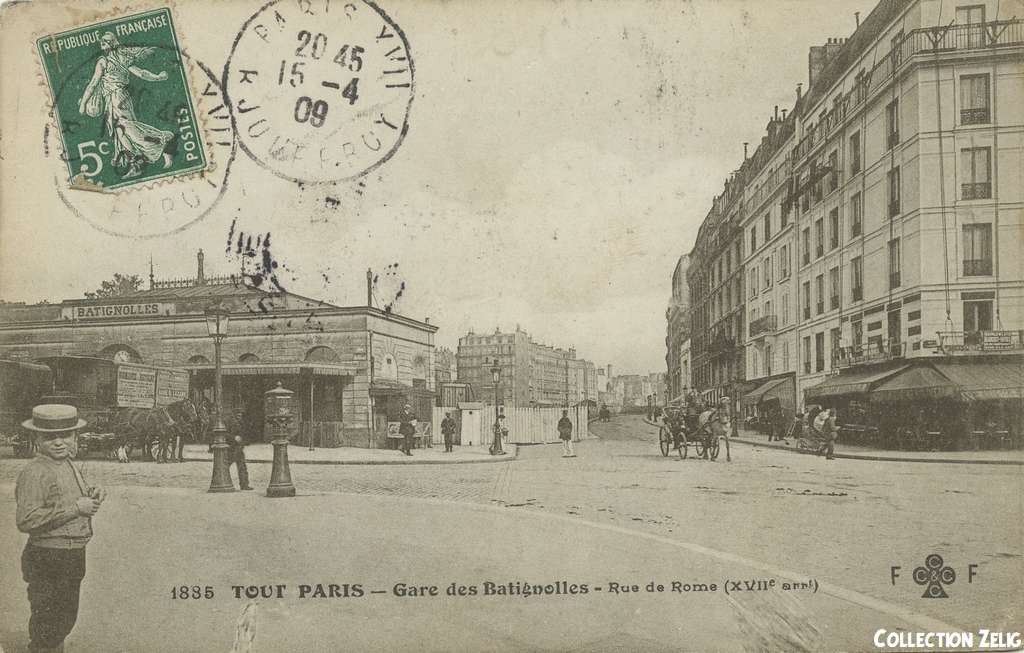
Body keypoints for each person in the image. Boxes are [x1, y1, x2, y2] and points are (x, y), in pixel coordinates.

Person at [16, 404, 106, 653]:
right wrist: (76, 509)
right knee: (48, 621)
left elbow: (69, 497)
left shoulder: (68, 464)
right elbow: (26, 520)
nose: (58, 442)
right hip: (48, 555)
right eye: (49, 437)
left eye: (65, 435)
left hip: (72, 553)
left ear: (75, 436)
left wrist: (92, 493)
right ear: (36, 438)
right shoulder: (35, 471)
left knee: (64, 617)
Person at [78, 32, 177, 179]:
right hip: (117, 99)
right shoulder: (121, 59)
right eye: (102, 42)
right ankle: (136, 164)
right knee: (122, 134)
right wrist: (158, 77)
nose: (102, 45)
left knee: (125, 129)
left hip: (117, 98)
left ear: (111, 44)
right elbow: (142, 73)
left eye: (104, 42)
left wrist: (83, 104)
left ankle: (163, 140)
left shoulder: (103, 62)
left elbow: (93, 84)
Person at [227, 409, 252, 490]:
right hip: (232, 448)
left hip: (239, 447)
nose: (239, 416)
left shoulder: (241, 422)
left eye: (241, 415)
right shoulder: (229, 422)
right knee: (226, 465)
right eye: (238, 415)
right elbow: (224, 434)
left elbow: (243, 433)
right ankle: (224, 481)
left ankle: (244, 485)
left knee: (242, 466)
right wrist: (234, 438)